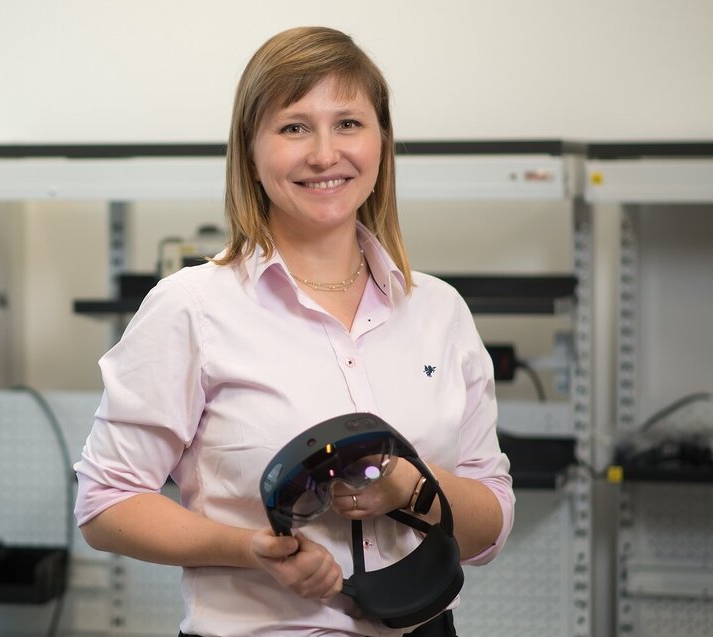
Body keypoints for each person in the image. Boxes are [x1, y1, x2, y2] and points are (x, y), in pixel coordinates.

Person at [73, 26, 514, 637]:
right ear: (250, 152)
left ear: (381, 141)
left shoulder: (438, 310)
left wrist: (413, 489)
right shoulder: (192, 307)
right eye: (294, 127)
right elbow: (106, 504)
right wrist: (248, 548)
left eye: (349, 124)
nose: (325, 154)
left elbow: (491, 523)